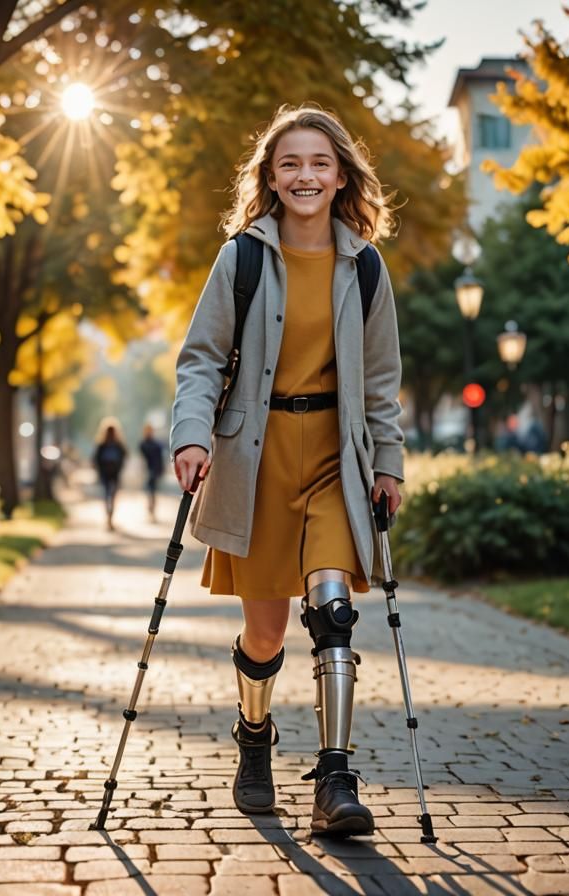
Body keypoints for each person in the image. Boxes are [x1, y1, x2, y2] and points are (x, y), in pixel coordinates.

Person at [170, 104, 405, 837]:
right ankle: (254, 735)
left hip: (337, 458)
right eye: (291, 164)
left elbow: (381, 383)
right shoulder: (242, 256)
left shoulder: (364, 266)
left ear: (342, 177)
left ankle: (336, 779)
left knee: (334, 615)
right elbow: (201, 359)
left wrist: (389, 463)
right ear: (271, 178)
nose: (306, 176)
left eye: (320, 164)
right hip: (258, 458)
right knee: (266, 635)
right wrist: (191, 436)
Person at [92, 418, 127, 530]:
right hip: (107, 474)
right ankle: (109, 517)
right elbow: (96, 459)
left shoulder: (116, 445)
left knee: (110, 496)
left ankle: (109, 517)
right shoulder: (103, 445)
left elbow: (124, 455)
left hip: (113, 474)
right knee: (109, 495)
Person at [138, 423, 167, 522]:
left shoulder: (145, 444)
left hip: (152, 471)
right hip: (150, 471)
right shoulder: (153, 444)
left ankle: (151, 509)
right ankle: (151, 510)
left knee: (151, 491)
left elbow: (160, 459)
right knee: (151, 491)